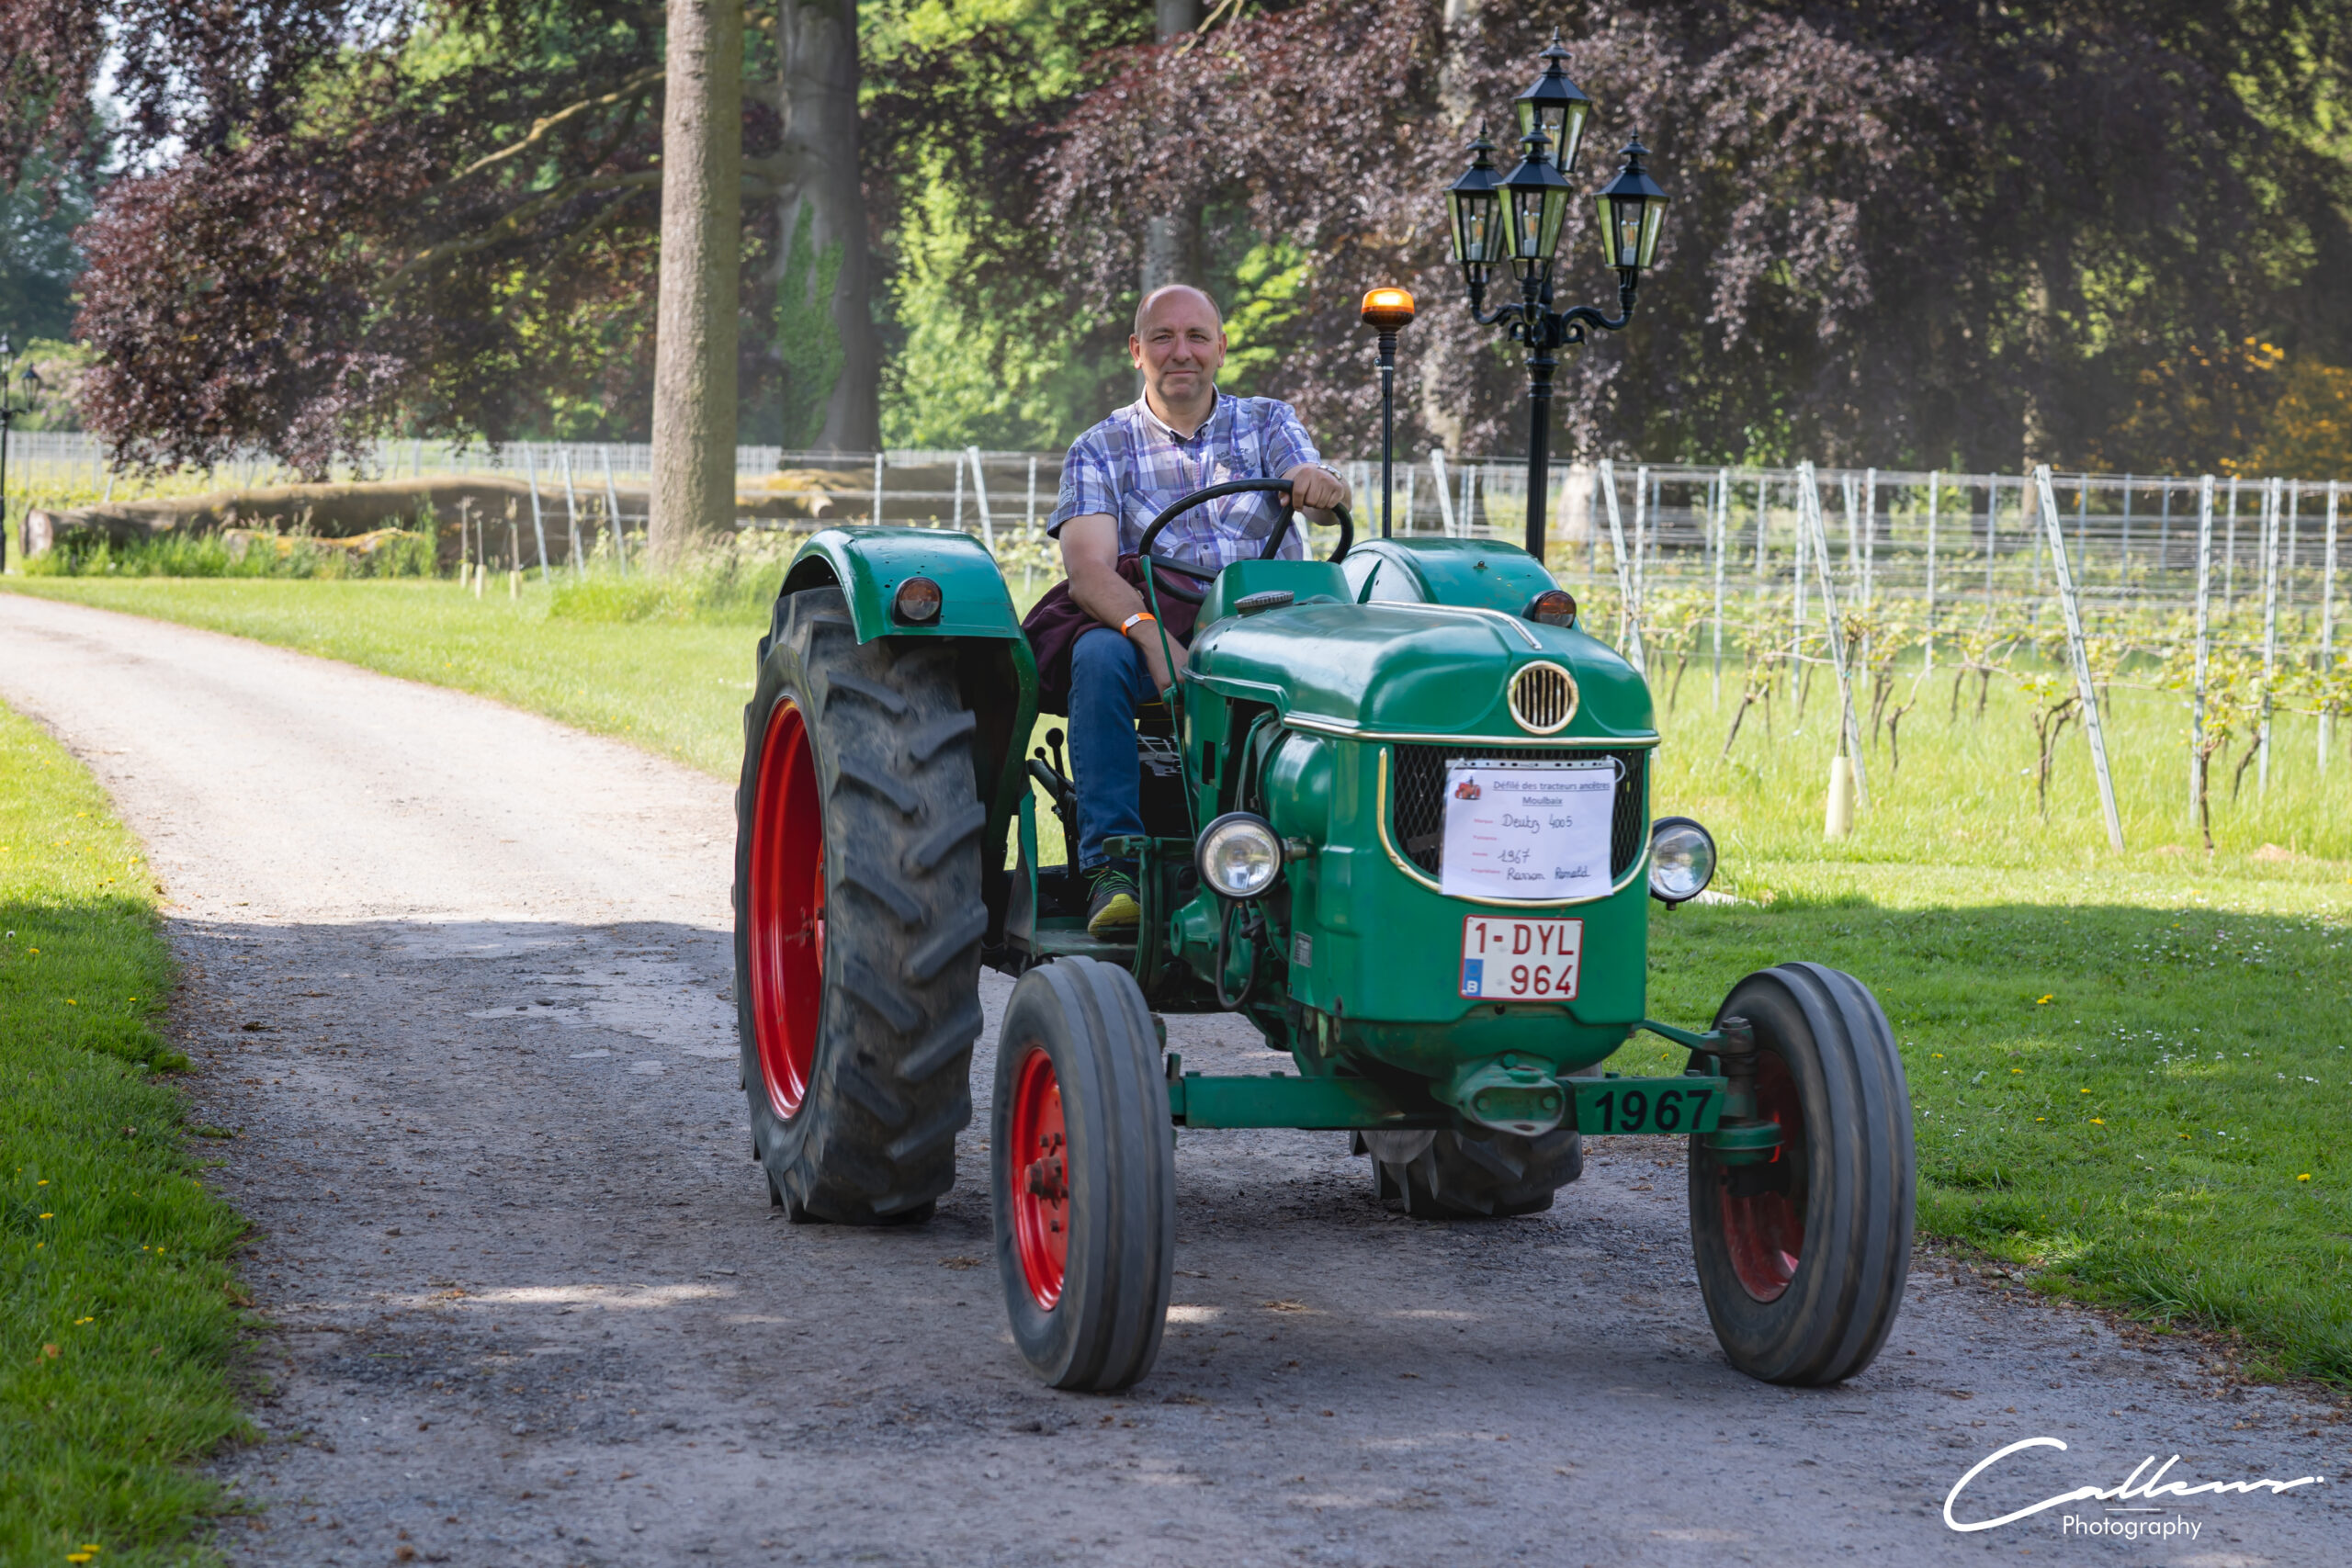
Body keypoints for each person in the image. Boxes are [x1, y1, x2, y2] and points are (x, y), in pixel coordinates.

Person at [1046, 284, 1350, 936]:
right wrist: (1158, 646)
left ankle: (1331, 859)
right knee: (1097, 654)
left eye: (1196, 337)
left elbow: (1318, 494)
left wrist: (1319, 485)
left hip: (1269, 624)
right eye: (1162, 337)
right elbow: (1089, 571)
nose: (1180, 352)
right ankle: (1112, 868)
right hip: (1162, 622)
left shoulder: (1267, 422)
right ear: (1137, 351)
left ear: (1221, 348)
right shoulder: (1100, 447)